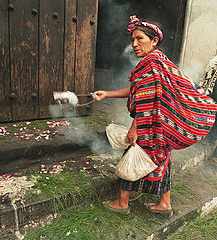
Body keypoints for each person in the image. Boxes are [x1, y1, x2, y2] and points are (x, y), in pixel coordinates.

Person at [93, 15, 217, 217]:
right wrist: (107, 93)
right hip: (160, 125)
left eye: (140, 38)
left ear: (154, 41)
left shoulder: (152, 62)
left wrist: (134, 128)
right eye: (132, 40)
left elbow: (146, 99)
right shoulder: (159, 61)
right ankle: (165, 204)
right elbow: (138, 89)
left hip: (149, 125)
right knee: (161, 159)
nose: (134, 44)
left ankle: (122, 202)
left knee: (132, 154)